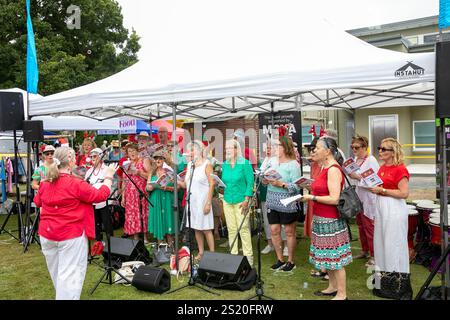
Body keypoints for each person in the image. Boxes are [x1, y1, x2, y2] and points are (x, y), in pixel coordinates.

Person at [34, 147, 117, 300]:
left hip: (48, 234)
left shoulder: (47, 183)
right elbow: (100, 195)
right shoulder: (74, 183)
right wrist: (109, 177)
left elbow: (37, 201)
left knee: (58, 274)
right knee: (70, 276)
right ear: (71, 162)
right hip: (70, 235)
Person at [301, 137, 352, 300]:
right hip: (321, 218)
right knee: (327, 257)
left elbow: (334, 198)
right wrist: (309, 189)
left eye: (317, 148)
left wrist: (312, 198)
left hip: (331, 221)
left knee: (336, 259)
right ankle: (332, 287)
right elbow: (322, 190)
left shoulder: (333, 169)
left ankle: (342, 294)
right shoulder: (324, 167)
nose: (314, 151)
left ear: (328, 151)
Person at [369, 138, 410, 290]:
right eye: (379, 148)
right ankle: (383, 283)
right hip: (381, 207)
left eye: (384, 149)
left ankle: (397, 285)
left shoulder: (400, 169)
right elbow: (381, 186)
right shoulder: (382, 167)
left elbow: (404, 193)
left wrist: (383, 190)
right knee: (380, 244)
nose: (380, 151)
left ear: (393, 152)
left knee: (393, 244)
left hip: (394, 208)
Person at [263, 134, 301, 272]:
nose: (274, 148)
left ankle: (290, 260)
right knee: (274, 230)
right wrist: (265, 180)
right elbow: (263, 178)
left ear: (285, 147)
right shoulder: (271, 162)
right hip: (272, 201)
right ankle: (280, 259)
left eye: (277, 146)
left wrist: (281, 184)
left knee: (289, 231)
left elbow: (296, 187)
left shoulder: (293, 164)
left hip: (287, 203)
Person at [178, 141, 215, 261]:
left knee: (206, 228)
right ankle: (201, 252)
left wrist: (208, 202)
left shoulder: (207, 164)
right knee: (196, 227)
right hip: (192, 201)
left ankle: (212, 253)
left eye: (193, 150)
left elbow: (212, 183)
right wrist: (175, 180)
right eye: (190, 150)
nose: (191, 153)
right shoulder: (190, 165)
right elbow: (185, 184)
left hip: (203, 200)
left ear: (200, 150)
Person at [221, 139, 255, 266]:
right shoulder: (224, 164)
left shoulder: (245, 163)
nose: (227, 150)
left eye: (230, 148)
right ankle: (233, 256)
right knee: (231, 229)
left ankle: (248, 259)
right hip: (227, 200)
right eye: (226, 148)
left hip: (241, 200)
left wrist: (247, 199)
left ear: (236, 149)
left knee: (243, 229)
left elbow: (250, 183)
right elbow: (224, 182)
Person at [348, 135, 379, 267]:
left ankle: (374, 255)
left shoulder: (371, 160)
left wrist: (357, 177)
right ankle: (364, 250)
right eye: (352, 147)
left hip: (368, 198)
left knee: (369, 227)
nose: (354, 150)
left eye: (357, 147)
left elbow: (374, 182)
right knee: (360, 225)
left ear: (364, 147)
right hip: (359, 197)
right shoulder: (356, 159)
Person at [259, 141, 288, 256]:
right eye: (266, 148)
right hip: (265, 194)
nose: (268, 150)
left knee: (283, 221)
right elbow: (260, 178)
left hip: (279, 194)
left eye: (270, 148)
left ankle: (285, 244)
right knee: (267, 221)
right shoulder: (263, 162)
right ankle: (270, 243)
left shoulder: (279, 161)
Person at [121, 143, 151, 243]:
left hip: (141, 192)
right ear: (127, 154)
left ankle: (145, 237)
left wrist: (139, 172)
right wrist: (123, 197)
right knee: (132, 215)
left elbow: (150, 177)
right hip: (130, 195)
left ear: (138, 151)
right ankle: (135, 237)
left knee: (143, 213)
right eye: (130, 151)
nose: (132, 153)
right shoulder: (126, 164)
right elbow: (124, 181)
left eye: (134, 150)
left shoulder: (143, 161)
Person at [146, 150, 175, 246]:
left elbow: (177, 187)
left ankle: (170, 245)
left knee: (168, 220)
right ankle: (160, 246)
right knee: (158, 220)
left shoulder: (170, 171)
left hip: (167, 198)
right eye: (156, 158)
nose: (157, 160)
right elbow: (147, 187)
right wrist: (150, 187)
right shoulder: (152, 172)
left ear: (164, 159)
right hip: (156, 198)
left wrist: (168, 188)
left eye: (160, 158)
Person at [85, 148, 112, 241]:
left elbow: (109, 182)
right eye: (91, 156)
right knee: (96, 221)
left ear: (100, 156)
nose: (92, 158)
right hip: (93, 199)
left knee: (106, 221)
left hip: (104, 199)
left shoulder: (106, 169)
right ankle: (98, 241)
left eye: (95, 156)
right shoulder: (89, 171)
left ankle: (110, 240)